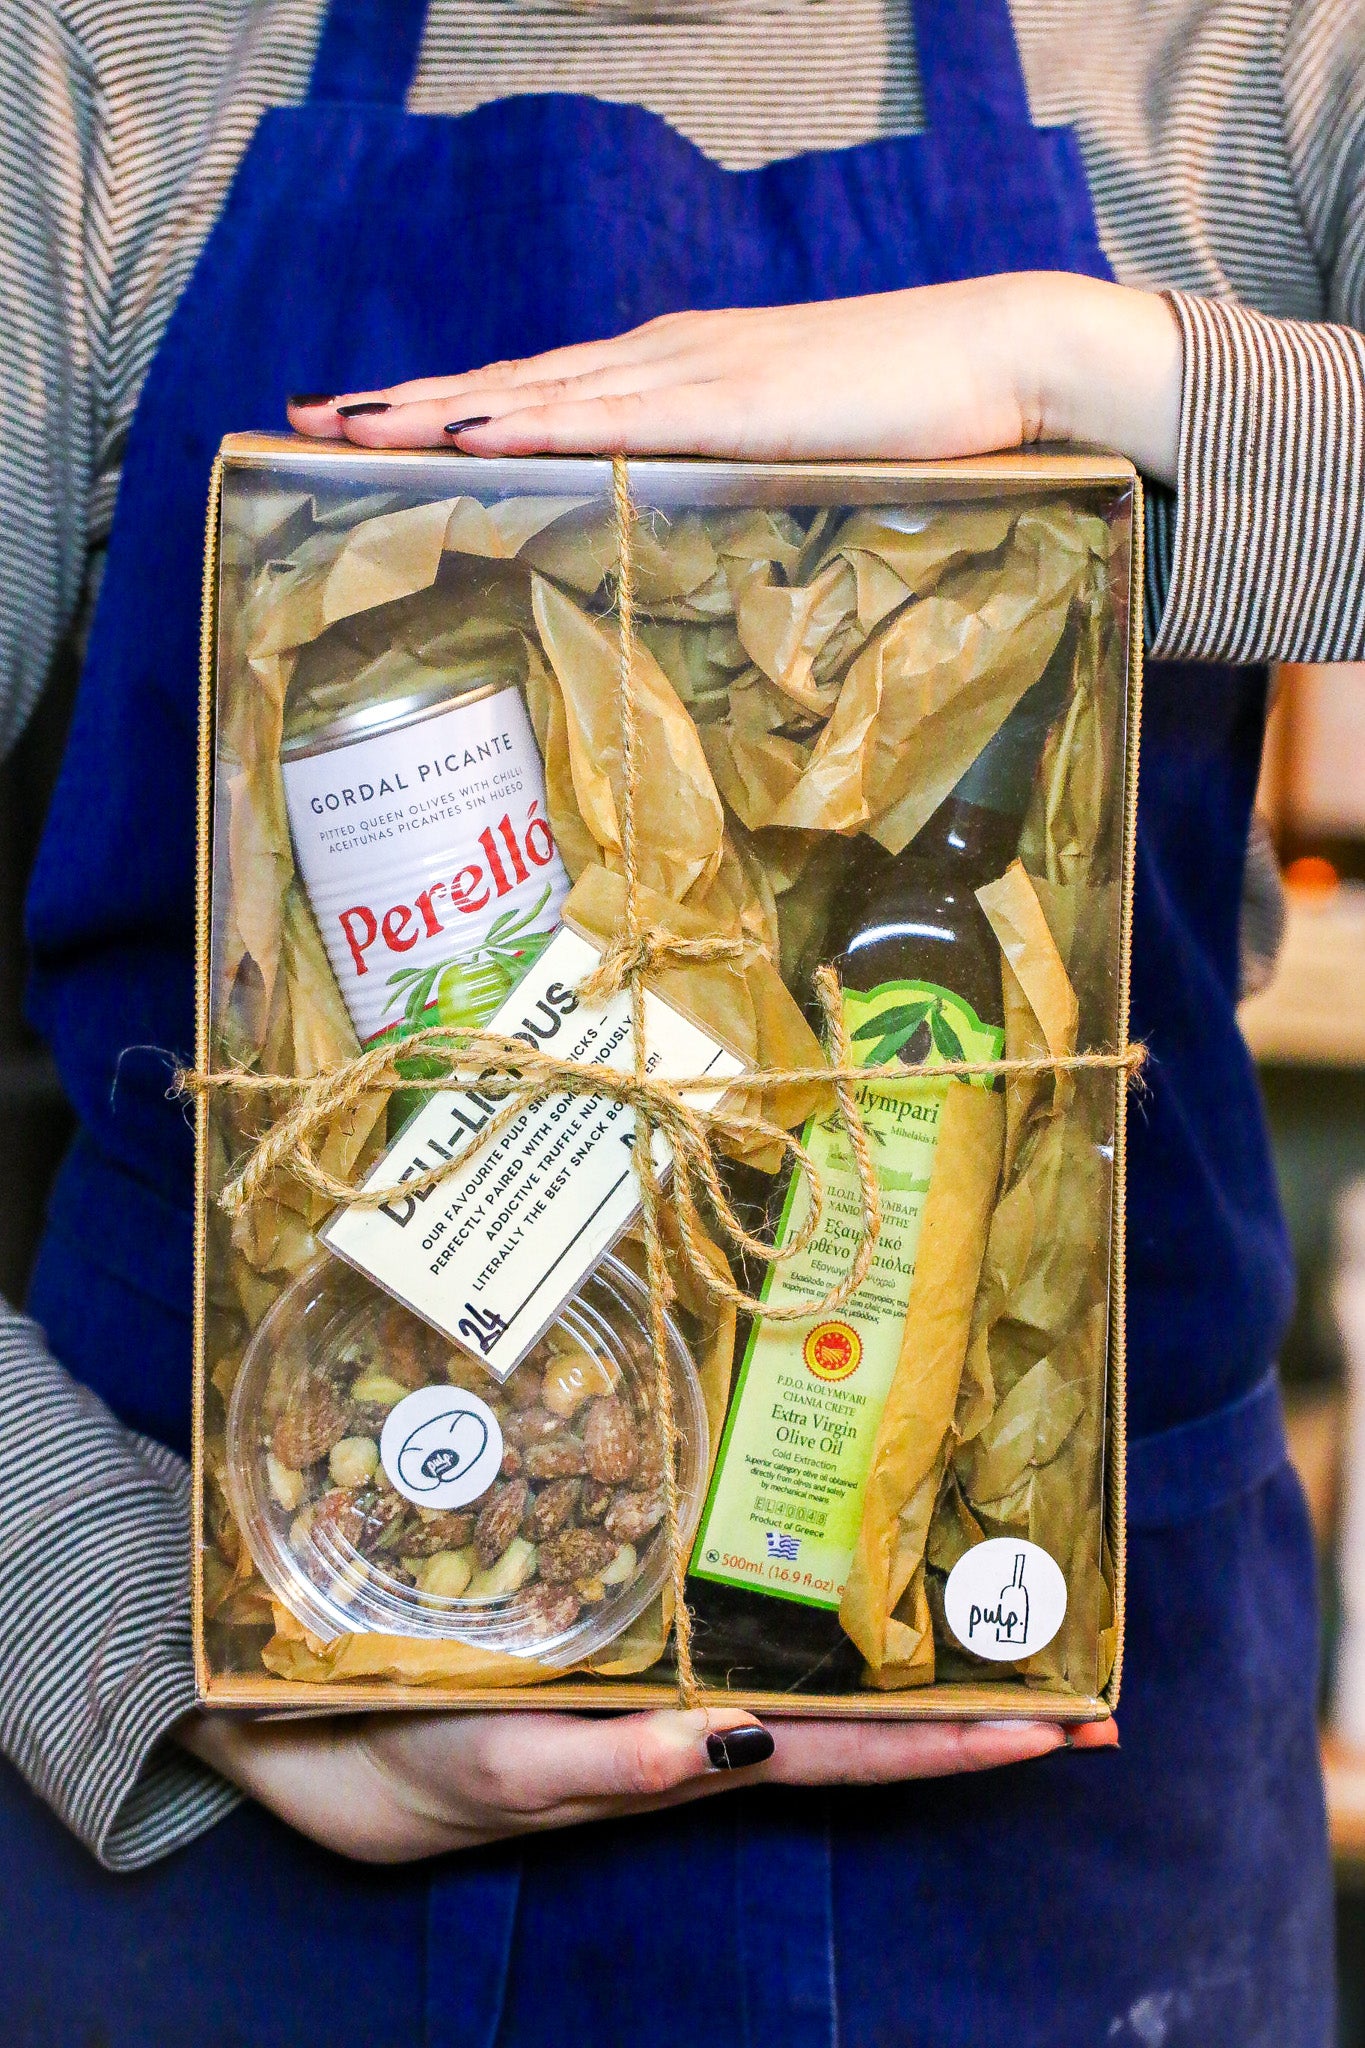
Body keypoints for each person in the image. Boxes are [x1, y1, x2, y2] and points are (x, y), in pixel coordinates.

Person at [1, 0, 1362, 2039]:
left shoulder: (1262, 49)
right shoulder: (106, 62)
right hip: (260, 1778)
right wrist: (117, 1623)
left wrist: (1074, 365)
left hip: (1057, 1800)